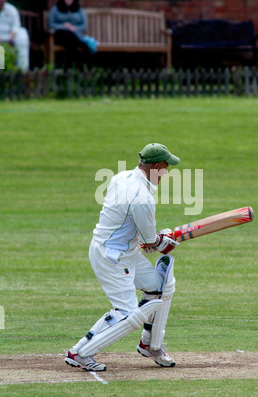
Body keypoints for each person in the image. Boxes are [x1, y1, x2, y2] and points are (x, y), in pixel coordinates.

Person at [65, 143, 180, 372]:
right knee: (128, 315)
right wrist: (164, 241)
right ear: (156, 166)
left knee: (160, 286)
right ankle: (80, 352)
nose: (166, 174)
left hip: (123, 250)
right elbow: (150, 241)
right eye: (165, 168)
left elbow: (129, 225)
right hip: (113, 257)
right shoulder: (141, 197)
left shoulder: (122, 177)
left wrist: (152, 240)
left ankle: (151, 343)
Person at [48, 0, 97, 65]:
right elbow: (51, 24)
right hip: (60, 35)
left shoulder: (79, 10)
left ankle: (71, 65)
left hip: (75, 35)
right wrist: (64, 26)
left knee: (71, 42)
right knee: (66, 36)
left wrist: (75, 28)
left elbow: (84, 26)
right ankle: (85, 49)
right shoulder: (55, 10)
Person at [0, 0, 30, 71]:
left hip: (10, 36)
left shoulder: (12, 10)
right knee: (1, 49)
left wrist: (11, 38)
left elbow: (16, 26)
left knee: (22, 36)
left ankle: (23, 69)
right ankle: (2, 71)